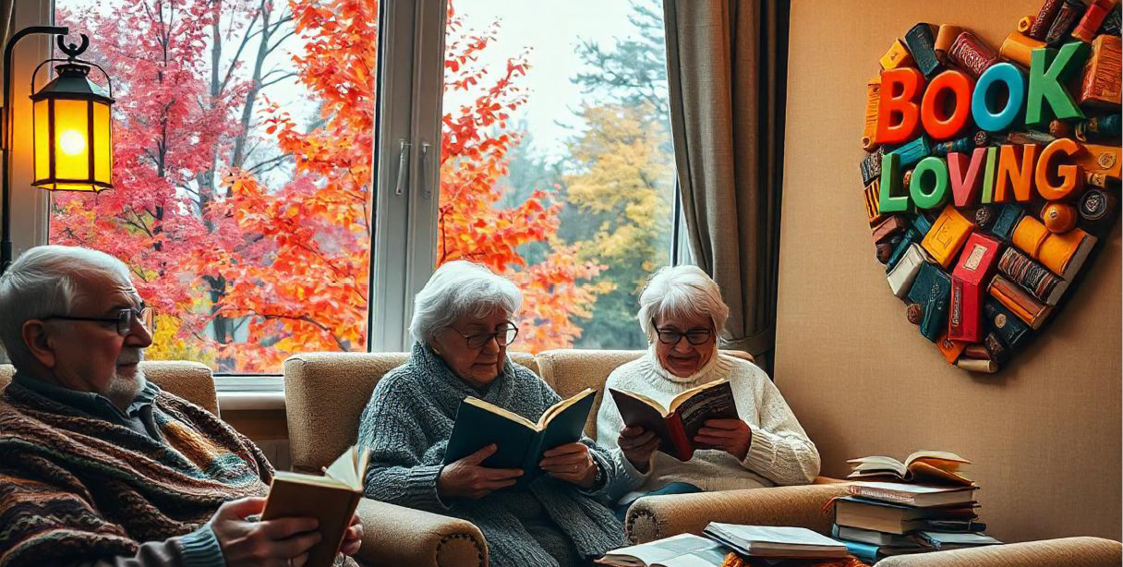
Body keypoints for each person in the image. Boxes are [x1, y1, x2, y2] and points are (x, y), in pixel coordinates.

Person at [0, 245, 362, 567]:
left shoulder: (177, 412)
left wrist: (318, 529)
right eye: (119, 320)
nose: (145, 336)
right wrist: (209, 554)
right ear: (42, 340)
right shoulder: (15, 444)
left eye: (141, 315)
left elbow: (269, 497)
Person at [356, 260, 627, 567]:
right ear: (434, 337)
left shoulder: (525, 383)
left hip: (575, 531)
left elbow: (597, 456)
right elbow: (371, 483)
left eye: (502, 332)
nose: (495, 348)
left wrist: (588, 469)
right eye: (476, 335)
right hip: (487, 538)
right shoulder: (402, 390)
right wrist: (441, 482)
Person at [596, 265, 821, 519]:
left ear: (715, 332)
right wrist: (633, 461)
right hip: (666, 512)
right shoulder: (625, 381)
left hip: (742, 511)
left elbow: (806, 466)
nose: (683, 348)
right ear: (652, 331)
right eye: (670, 333)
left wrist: (749, 443)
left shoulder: (749, 376)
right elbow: (603, 486)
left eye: (697, 333)